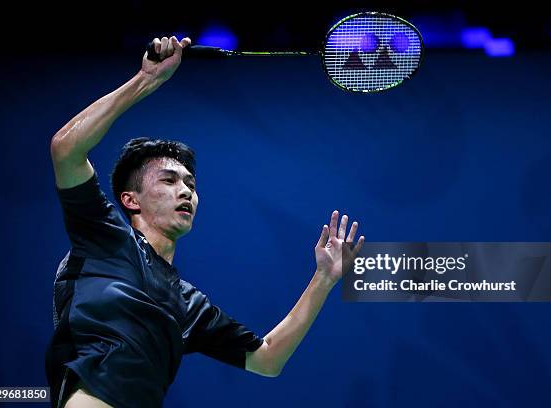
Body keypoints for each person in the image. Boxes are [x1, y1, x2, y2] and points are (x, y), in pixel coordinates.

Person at [45, 35, 365, 408]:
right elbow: (66, 149)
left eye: (191, 185)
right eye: (169, 180)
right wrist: (147, 81)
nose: (186, 192)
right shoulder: (105, 239)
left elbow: (268, 359)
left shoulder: (187, 304)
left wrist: (324, 279)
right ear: (130, 200)